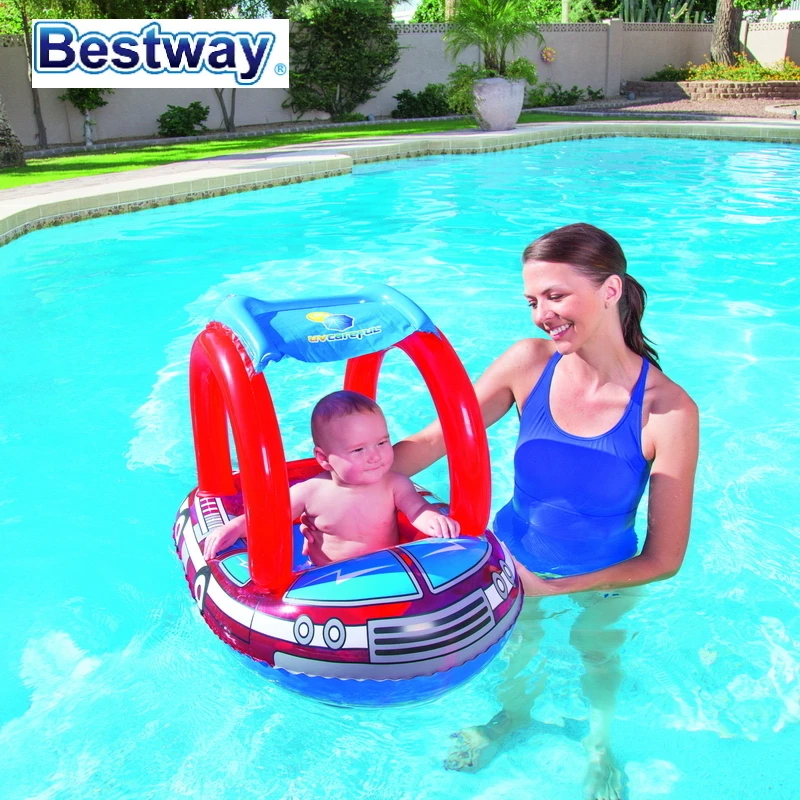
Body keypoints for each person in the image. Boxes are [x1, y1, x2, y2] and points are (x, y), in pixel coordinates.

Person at [392, 223, 699, 800]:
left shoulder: (668, 410)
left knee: (597, 655)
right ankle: (511, 720)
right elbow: (433, 441)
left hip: (604, 576)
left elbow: (664, 559)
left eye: (556, 296)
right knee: (518, 651)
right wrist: (345, 473)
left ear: (610, 290)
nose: (541, 315)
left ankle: (600, 745)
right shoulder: (528, 364)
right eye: (532, 301)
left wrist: (555, 588)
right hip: (512, 559)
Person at [202, 390, 460, 565]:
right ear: (324, 458)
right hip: (326, 581)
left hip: (384, 572)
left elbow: (417, 509)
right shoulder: (311, 492)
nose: (375, 456)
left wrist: (433, 520)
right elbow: (269, 517)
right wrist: (234, 528)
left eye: (382, 442)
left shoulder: (394, 484)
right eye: (358, 450)